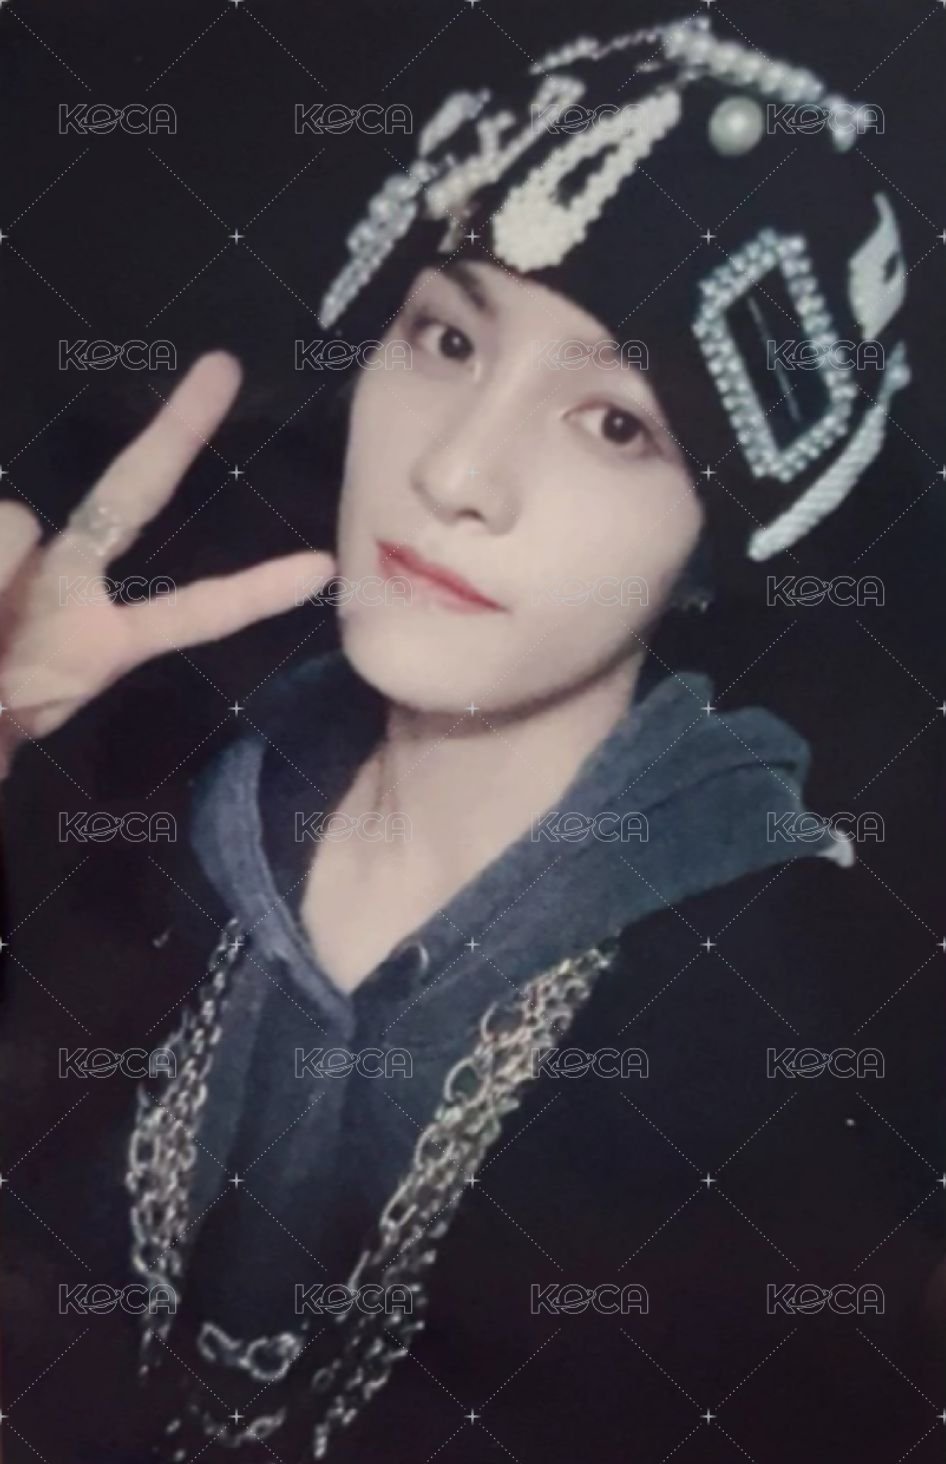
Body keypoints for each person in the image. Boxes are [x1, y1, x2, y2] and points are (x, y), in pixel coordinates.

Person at [1, 15, 942, 1463]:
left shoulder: (764, 1064)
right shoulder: (182, 799)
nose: (452, 472)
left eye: (615, 423)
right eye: (446, 340)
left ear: (717, 538)